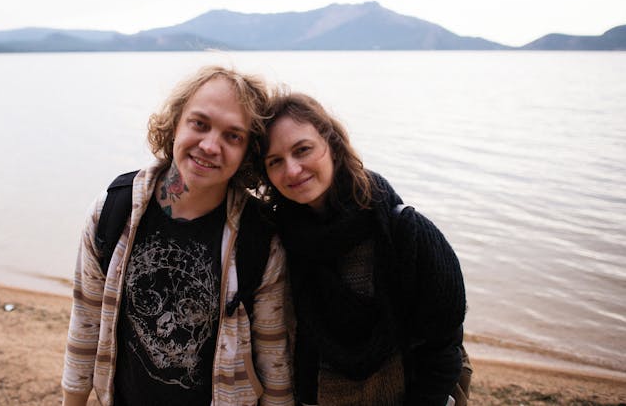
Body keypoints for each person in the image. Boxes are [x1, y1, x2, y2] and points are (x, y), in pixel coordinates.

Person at [61, 66, 294, 406]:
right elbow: (85, 320)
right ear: (175, 124)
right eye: (199, 124)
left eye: (233, 136)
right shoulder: (113, 211)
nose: (210, 145)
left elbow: (274, 359)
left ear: (248, 151)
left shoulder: (259, 238)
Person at [259, 92, 469, 406]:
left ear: (332, 145)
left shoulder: (404, 233)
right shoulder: (276, 239)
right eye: (275, 161)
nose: (291, 170)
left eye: (302, 150)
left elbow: (443, 347)